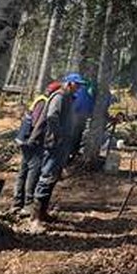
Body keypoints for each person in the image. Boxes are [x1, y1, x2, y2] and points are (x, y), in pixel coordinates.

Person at [30, 74, 86, 224]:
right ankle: (36, 216)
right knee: (47, 176)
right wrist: (59, 135)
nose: (78, 88)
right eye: (77, 85)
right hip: (54, 143)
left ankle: (43, 212)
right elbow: (51, 117)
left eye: (80, 85)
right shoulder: (59, 97)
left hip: (62, 144)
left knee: (53, 177)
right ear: (69, 83)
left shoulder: (69, 98)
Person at [10, 81, 58, 215]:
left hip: (26, 139)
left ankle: (17, 203)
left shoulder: (40, 99)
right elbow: (37, 123)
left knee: (24, 172)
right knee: (33, 172)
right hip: (32, 142)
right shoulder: (44, 103)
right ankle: (27, 204)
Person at [68, 78, 95, 164]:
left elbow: (75, 106)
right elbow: (90, 108)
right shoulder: (87, 94)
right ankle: (72, 154)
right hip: (80, 118)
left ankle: (70, 154)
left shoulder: (81, 93)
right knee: (76, 137)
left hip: (77, 118)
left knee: (74, 137)